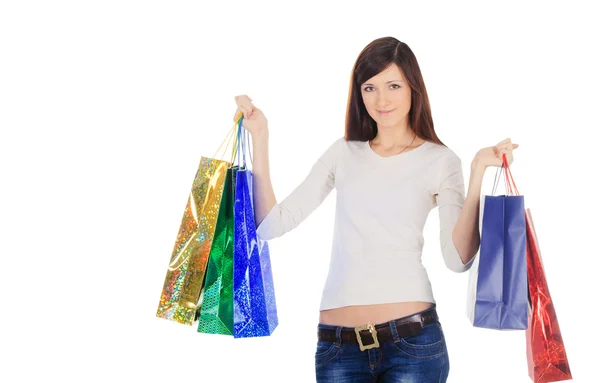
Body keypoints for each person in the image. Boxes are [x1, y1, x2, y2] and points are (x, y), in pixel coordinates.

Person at [232, 36, 518, 382]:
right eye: (370, 88)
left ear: (413, 87)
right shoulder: (343, 153)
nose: (382, 99)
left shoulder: (440, 161)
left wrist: (477, 172)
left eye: (393, 85)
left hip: (412, 345)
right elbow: (270, 225)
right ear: (359, 93)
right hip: (338, 348)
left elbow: (457, 260)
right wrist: (260, 135)